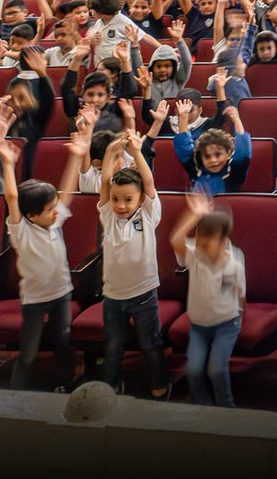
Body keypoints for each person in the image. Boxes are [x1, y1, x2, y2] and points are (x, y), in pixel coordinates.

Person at [0, 122, 85, 392]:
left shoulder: (55, 223)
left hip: (61, 293)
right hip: (35, 299)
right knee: (29, 351)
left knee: (63, 342)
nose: (56, 211)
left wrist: (76, 157)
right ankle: (17, 393)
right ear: (32, 215)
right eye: (49, 209)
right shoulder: (21, 230)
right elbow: (12, 197)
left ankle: (67, 384)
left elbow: (66, 190)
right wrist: (8, 163)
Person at [97, 129, 170, 398]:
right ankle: (112, 385)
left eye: (128, 200)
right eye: (116, 199)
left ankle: (160, 381)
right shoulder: (108, 216)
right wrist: (109, 152)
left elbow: (148, 181)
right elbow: (106, 182)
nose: (120, 205)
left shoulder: (148, 214)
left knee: (150, 343)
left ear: (140, 199)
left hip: (143, 293)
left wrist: (137, 152)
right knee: (113, 345)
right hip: (113, 295)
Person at [170, 194, 245, 407]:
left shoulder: (234, 263)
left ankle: (226, 406)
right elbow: (176, 239)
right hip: (199, 326)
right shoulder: (194, 255)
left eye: (209, 238)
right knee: (193, 369)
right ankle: (203, 406)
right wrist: (195, 216)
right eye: (199, 236)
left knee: (216, 370)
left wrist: (240, 320)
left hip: (226, 325)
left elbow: (240, 295)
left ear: (223, 241)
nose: (201, 243)